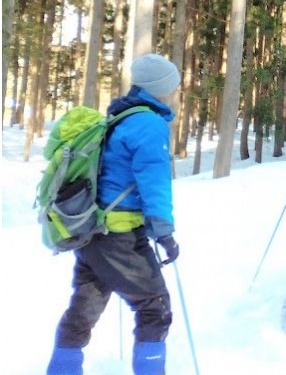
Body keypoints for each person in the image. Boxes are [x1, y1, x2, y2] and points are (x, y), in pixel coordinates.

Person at [47, 53, 181, 375]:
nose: (175, 91)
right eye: (173, 86)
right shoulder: (148, 123)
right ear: (161, 88)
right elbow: (153, 177)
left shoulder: (121, 115)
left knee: (85, 306)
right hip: (119, 234)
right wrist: (163, 229)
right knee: (155, 307)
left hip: (94, 231)